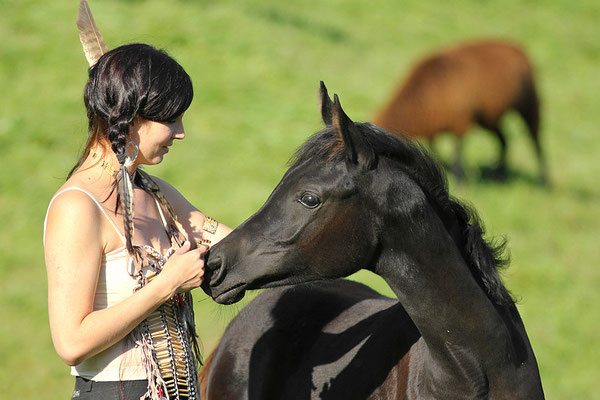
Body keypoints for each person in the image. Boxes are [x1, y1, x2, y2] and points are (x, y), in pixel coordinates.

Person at [43, 43, 231, 399]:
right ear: (130, 118)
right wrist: (167, 284)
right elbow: (71, 342)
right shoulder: (77, 206)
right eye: (171, 119)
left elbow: (237, 245)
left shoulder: (159, 194)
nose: (181, 133)